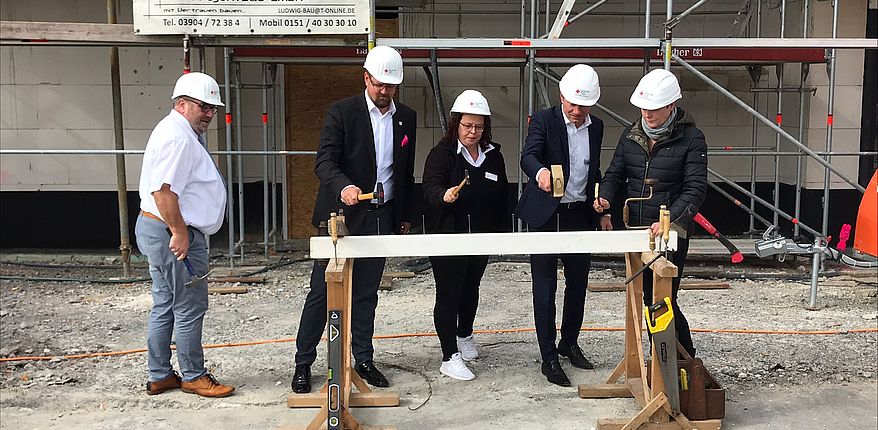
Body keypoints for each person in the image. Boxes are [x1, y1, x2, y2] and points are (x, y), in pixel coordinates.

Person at [292, 46, 418, 394]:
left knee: (366, 293)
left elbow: (404, 173)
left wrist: (405, 215)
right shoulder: (342, 113)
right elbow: (324, 162)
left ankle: (363, 358)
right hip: (341, 217)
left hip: (382, 215)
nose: (385, 92)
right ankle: (304, 361)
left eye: (391, 86)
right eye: (379, 85)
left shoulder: (406, 117)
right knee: (322, 292)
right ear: (366, 78)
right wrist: (344, 186)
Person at [594, 69, 707, 358]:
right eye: (643, 108)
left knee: (663, 297)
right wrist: (605, 197)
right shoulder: (632, 133)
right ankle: (664, 358)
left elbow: (695, 190)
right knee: (646, 297)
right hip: (635, 228)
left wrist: (670, 219)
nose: (647, 114)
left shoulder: (692, 138)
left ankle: (680, 359)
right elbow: (615, 173)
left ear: (671, 106)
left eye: (654, 109)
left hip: (671, 231)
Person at [135, 72, 234, 398]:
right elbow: (164, 192)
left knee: (165, 301)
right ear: (182, 103)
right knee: (189, 305)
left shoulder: (177, 131)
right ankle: (193, 375)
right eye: (203, 106)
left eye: (212, 108)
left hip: (158, 227)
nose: (209, 113)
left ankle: (160, 374)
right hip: (172, 232)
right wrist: (179, 232)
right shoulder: (177, 138)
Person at [514, 64, 610, 387]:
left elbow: (593, 170)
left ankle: (568, 341)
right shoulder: (545, 120)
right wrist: (539, 172)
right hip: (545, 213)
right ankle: (548, 357)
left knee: (578, 282)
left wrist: (600, 210)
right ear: (562, 96)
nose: (577, 111)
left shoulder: (596, 127)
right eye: (572, 104)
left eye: (584, 106)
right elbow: (528, 155)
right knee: (545, 286)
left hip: (578, 213)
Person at [422, 90, 509, 381]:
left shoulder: (493, 155)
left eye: (479, 126)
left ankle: (465, 335)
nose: (473, 132)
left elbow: (502, 194)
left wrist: (502, 231)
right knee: (449, 293)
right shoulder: (442, 154)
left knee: (471, 287)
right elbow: (429, 187)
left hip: (480, 236)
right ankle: (449, 356)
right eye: (467, 125)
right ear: (456, 124)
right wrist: (442, 196)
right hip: (449, 235)